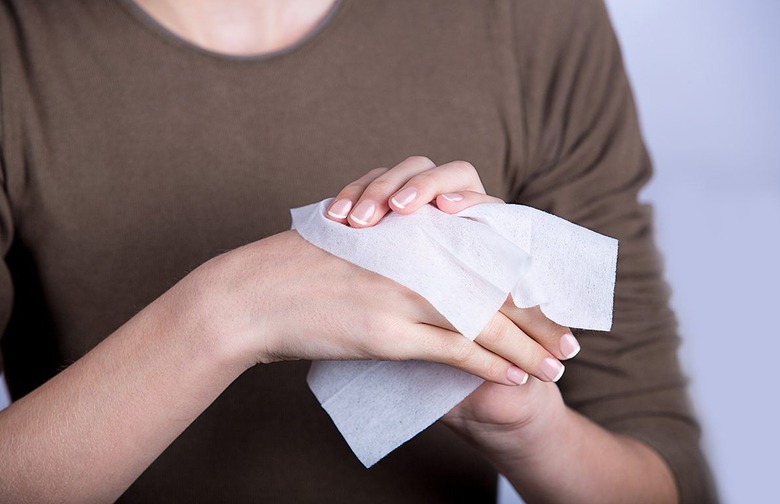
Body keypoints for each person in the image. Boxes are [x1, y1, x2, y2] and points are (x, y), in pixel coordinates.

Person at [0, 0, 717, 502]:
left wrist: (527, 424)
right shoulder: (19, 46)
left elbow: (668, 475)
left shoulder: (528, 20)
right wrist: (230, 312)